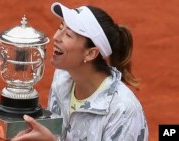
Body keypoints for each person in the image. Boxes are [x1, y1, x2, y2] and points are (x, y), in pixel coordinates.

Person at [10, 2, 149, 141]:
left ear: (90, 53)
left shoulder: (123, 111)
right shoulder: (62, 79)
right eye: (60, 27)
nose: (56, 37)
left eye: (68, 35)